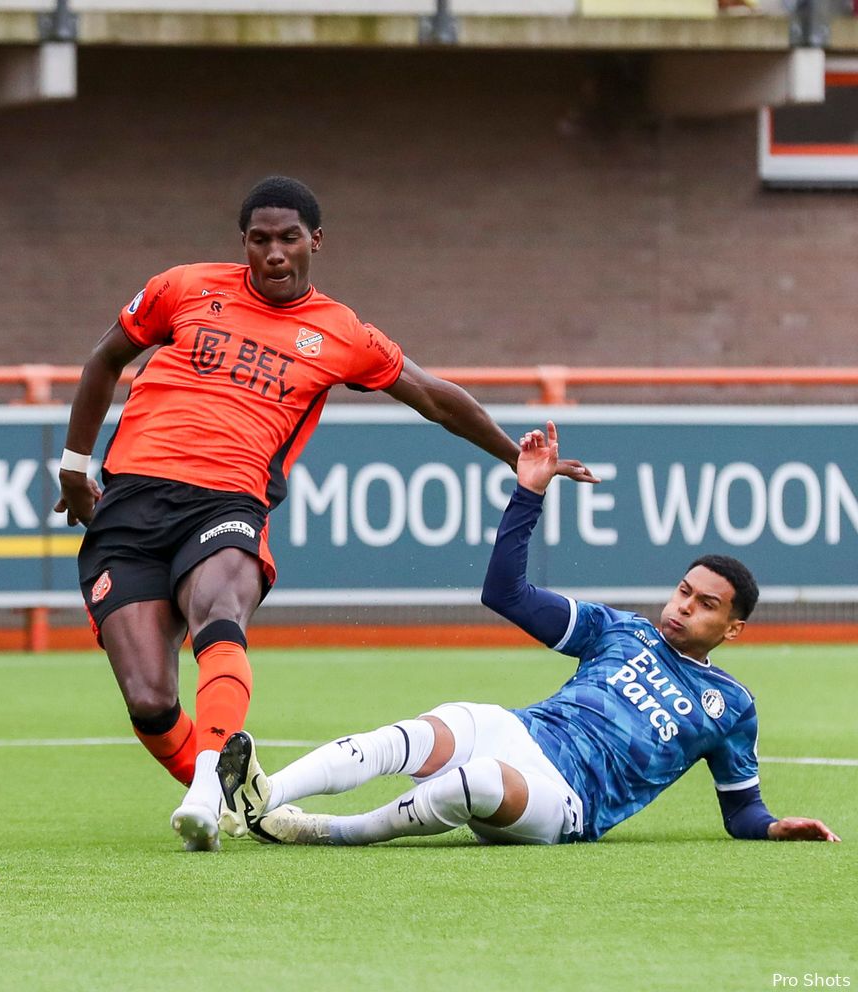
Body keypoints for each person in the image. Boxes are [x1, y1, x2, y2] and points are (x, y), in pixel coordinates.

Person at [54, 176, 600, 852]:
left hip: (229, 499)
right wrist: (75, 468)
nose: (273, 253)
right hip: (132, 500)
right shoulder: (184, 287)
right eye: (259, 240)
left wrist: (511, 456)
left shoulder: (340, 332)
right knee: (149, 698)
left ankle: (205, 791)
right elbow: (104, 358)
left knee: (219, 610)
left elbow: (432, 396)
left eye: (288, 239)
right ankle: (229, 796)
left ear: (316, 241)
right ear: (244, 244)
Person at [216, 421, 839, 849]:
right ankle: (264, 796)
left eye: (706, 606)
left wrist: (775, 827)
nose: (683, 608)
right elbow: (504, 594)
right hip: (526, 731)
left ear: (732, 629)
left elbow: (741, 811)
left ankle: (328, 831)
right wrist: (529, 492)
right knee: (438, 724)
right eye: (683, 591)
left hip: (566, 800)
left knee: (478, 779)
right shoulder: (620, 629)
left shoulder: (731, 706)